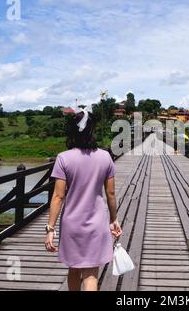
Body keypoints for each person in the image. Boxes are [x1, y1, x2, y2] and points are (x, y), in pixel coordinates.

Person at [44, 106, 122, 291]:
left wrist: (50, 228)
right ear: (91, 130)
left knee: (73, 270)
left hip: (71, 224)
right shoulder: (105, 157)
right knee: (90, 275)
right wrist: (114, 219)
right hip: (96, 223)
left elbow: (58, 196)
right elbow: (110, 193)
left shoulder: (63, 158)